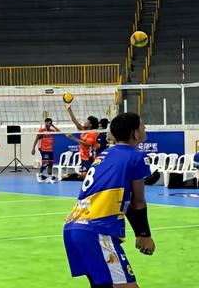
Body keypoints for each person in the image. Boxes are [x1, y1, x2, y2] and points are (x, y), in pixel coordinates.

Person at [63, 112, 154, 287]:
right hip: (97, 231)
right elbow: (137, 202)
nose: (145, 128)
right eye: (142, 125)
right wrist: (144, 235)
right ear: (135, 134)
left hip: (73, 227)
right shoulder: (136, 156)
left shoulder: (105, 154)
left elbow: (123, 200)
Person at [65, 105, 100, 179]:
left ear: (90, 125)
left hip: (89, 158)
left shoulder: (93, 133)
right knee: (84, 176)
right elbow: (76, 123)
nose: (85, 122)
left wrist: (74, 139)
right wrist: (69, 110)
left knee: (87, 177)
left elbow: (88, 145)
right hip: (83, 157)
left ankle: (69, 177)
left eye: (87, 121)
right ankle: (69, 177)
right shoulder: (84, 131)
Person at [31, 117, 60, 183]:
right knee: (46, 163)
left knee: (50, 164)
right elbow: (36, 139)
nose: (49, 124)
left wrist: (53, 126)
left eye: (50, 123)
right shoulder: (41, 130)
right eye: (48, 122)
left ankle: (49, 177)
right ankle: (39, 174)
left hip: (51, 149)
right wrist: (33, 148)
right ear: (45, 123)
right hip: (43, 149)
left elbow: (60, 132)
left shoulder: (52, 131)